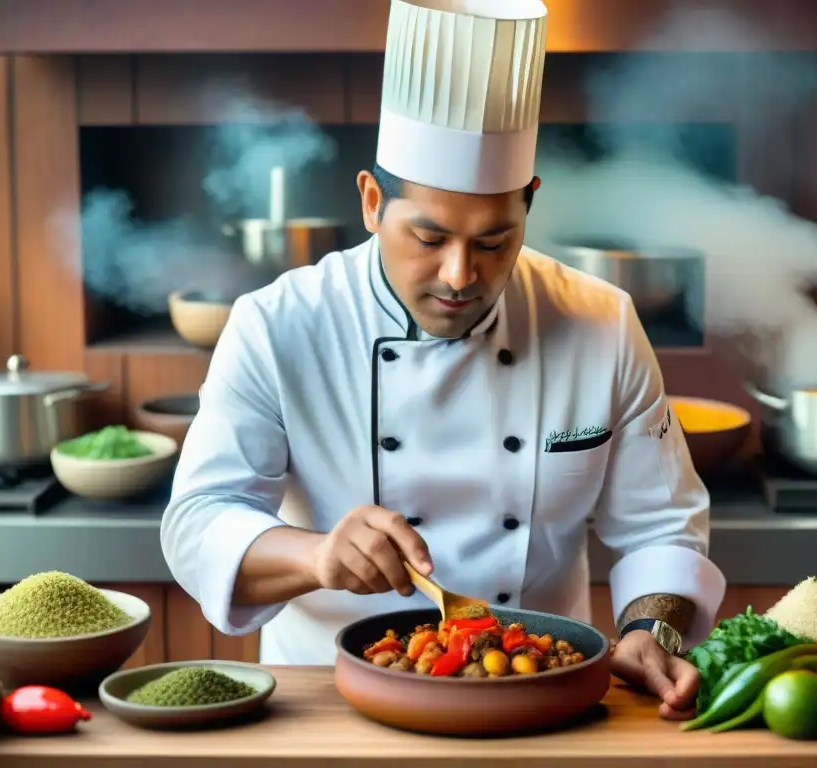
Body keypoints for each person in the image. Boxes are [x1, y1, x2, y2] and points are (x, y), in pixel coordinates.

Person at [160, 0, 726, 721]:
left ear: (530, 204)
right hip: (330, 710)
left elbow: (662, 526)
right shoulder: (278, 324)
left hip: (541, 702)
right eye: (428, 239)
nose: (460, 274)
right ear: (371, 202)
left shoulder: (600, 323)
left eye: (494, 241)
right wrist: (317, 556)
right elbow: (199, 521)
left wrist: (653, 628)